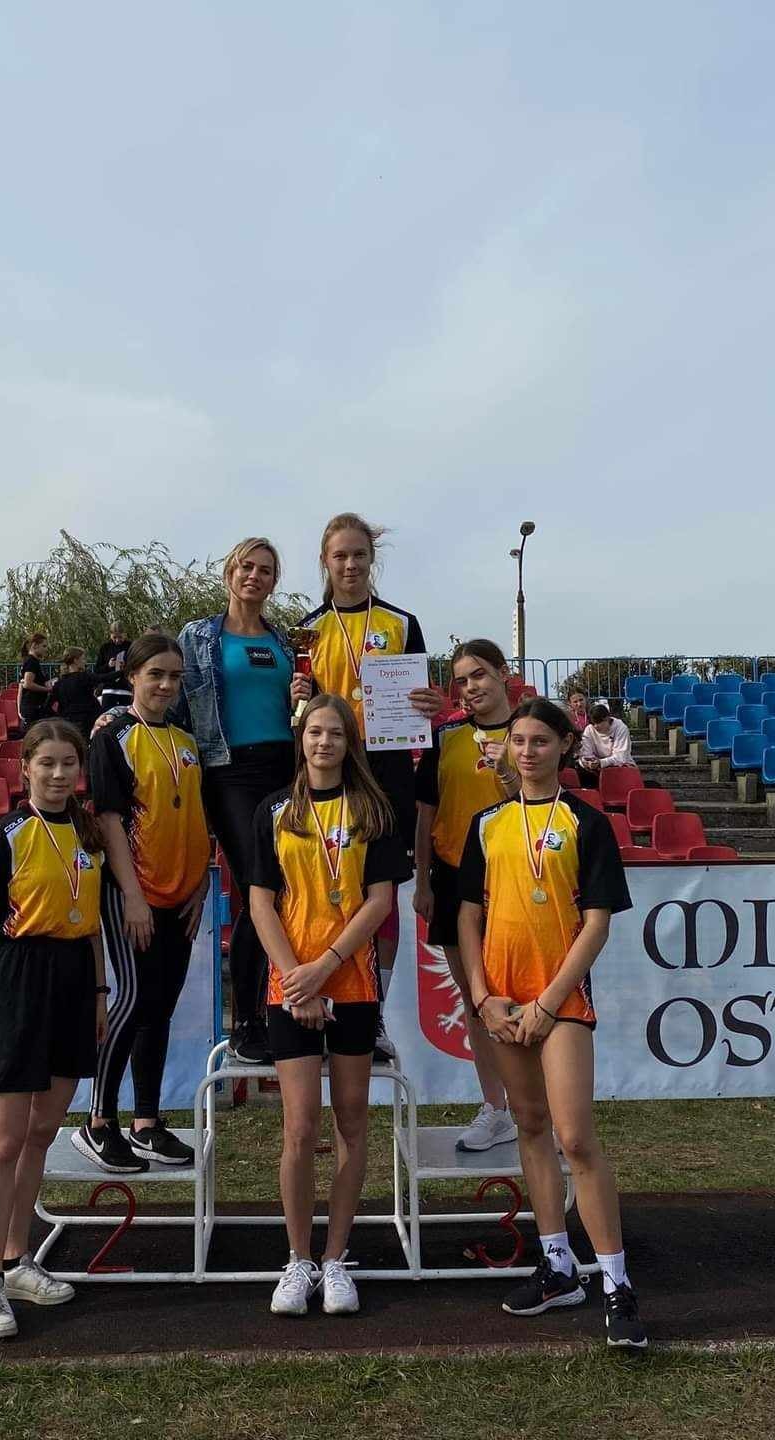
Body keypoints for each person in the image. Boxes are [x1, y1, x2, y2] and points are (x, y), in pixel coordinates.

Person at [456, 697, 647, 1350]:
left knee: (576, 1138)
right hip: (501, 1002)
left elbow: (596, 923)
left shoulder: (586, 823)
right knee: (532, 1126)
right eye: (519, 740)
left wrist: (547, 1001)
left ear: (566, 746)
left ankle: (617, 1283)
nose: (528, 751)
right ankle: (558, 1265)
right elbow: (467, 917)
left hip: (558, 1002)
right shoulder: (486, 824)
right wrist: (482, 997)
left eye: (540, 740)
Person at [249, 694, 409, 1316]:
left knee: (351, 1122)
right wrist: (300, 978)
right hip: (289, 986)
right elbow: (261, 903)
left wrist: (326, 968)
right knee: (299, 1127)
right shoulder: (275, 810)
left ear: (349, 742)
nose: (324, 743)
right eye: (315, 732)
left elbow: (379, 901)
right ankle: (297, 1259)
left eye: (335, 733)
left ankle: (336, 1257)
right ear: (302, 738)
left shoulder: (373, 810)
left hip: (353, 983)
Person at [0, 718, 110, 1341]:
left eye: (68, 763)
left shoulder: (90, 832)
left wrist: (100, 993)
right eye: (46, 763)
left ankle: (20, 1260)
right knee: (5, 1140)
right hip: (20, 979)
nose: (58, 774)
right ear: (25, 769)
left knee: (43, 1131)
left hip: (75, 981)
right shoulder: (2, 838)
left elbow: (93, 924)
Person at [291, 513, 442, 1063]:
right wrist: (297, 698)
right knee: (331, 886)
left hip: (388, 773)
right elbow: (302, 717)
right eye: (340, 556)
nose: (350, 564)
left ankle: (372, 1012)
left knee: (383, 896)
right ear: (325, 562)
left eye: (359, 554)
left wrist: (429, 702)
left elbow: (423, 699)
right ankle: (324, 1000)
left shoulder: (401, 623)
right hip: (332, 772)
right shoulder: (307, 630)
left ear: (371, 559)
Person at [73, 632, 211, 1173]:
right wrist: (131, 896)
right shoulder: (113, 736)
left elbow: (196, 815)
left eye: (175, 676)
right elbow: (109, 819)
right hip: (133, 891)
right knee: (130, 1000)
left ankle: (147, 1122)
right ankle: (97, 1121)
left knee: (159, 1008)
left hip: (181, 894)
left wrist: (201, 883)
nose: (165, 685)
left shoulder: (186, 740)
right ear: (131, 676)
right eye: (155, 674)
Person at [175, 537, 295, 1066]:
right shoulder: (199, 636)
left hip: (286, 768)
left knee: (285, 888)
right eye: (246, 567)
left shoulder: (285, 639)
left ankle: (281, 1006)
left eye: (265, 570)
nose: (254, 576)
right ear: (229, 572)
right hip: (229, 769)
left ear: (274, 582)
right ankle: (247, 1019)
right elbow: (173, 703)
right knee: (256, 888)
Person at [413, 639, 521, 1152]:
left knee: (523, 996)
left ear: (503, 673)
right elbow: (426, 813)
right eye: (461, 680)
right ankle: (495, 1109)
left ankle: (534, 1106)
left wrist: (508, 769)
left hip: (515, 879)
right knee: (476, 1000)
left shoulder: (530, 732)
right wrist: (422, 879)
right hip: (455, 879)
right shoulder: (446, 736)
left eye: (479, 674)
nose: (471, 687)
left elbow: (546, 803)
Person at [49, 647, 102, 744]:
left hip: (68, 722)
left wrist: (60, 716)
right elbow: (104, 678)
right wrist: (122, 671)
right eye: (83, 658)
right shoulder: (84, 677)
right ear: (76, 660)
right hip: (86, 721)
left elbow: (48, 705)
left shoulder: (59, 683)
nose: (85, 661)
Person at [578, 704, 637, 783]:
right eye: (593, 723)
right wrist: (586, 762)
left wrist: (601, 762)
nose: (595, 726)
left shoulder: (621, 728)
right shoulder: (589, 729)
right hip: (597, 769)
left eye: (598, 723)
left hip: (620, 767)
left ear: (607, 719)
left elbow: (621, 757)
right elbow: (585, 753)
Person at [94, 622, 132, 712]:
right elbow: (97, 670)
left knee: (125, 717)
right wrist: (108, 665)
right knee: (107, 716)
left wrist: (126, 665)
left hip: (126, 689)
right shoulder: (105, 647)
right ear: (110, 635)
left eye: (120, 637)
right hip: (109, 689)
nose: (117, 640)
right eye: (114, 637)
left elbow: (136, 666)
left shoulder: (130, 646)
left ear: (125, 634)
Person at [18, 633, 53, 730]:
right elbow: (27, 684)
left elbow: (21, 686)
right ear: (35, 646)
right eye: (44, 646)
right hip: (33, 708)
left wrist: (19, 708)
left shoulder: (29, 661)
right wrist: (47, 690)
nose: (46, 649)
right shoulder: (32, 662)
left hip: (31, 707)